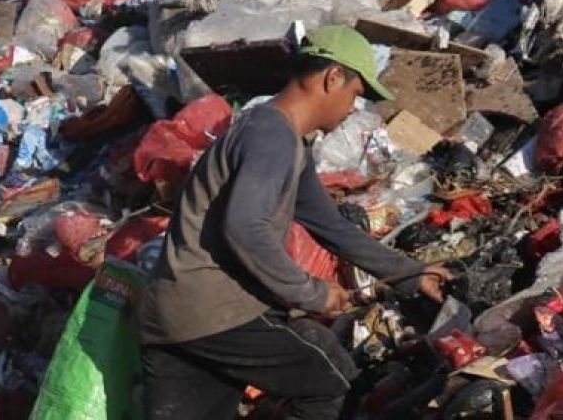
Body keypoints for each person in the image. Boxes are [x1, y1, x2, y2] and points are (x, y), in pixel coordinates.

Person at [139, 25, 451, 419]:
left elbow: (331, 226)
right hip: (215, 312)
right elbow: (245, 228)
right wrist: (312, 293)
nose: (354, 108)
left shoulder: (281, 139)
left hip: (172, 313)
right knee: (334, 380)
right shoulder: (271, 135)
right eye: (355, 95)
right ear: (332, 76)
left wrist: (409, 273)